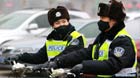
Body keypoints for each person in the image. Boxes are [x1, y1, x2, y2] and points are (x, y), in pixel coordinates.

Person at [46, 0, 137, 77]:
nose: (100, 21)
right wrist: (58, 61)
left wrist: (84, 66)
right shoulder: (103, 37)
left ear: (114, 19)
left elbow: (112, 65)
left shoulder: (123, 40)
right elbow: (85, 53)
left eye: (103, 18)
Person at [5, 6, 86, 68]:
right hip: (52, 73)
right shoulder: (50, 40)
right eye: (57, 23)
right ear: (52, 26)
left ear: (68, 21)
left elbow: (68, 55)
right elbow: (38, 57)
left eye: (64, 21)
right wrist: (20, 57)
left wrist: (47, 64)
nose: (61, 25)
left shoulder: (76, 37)